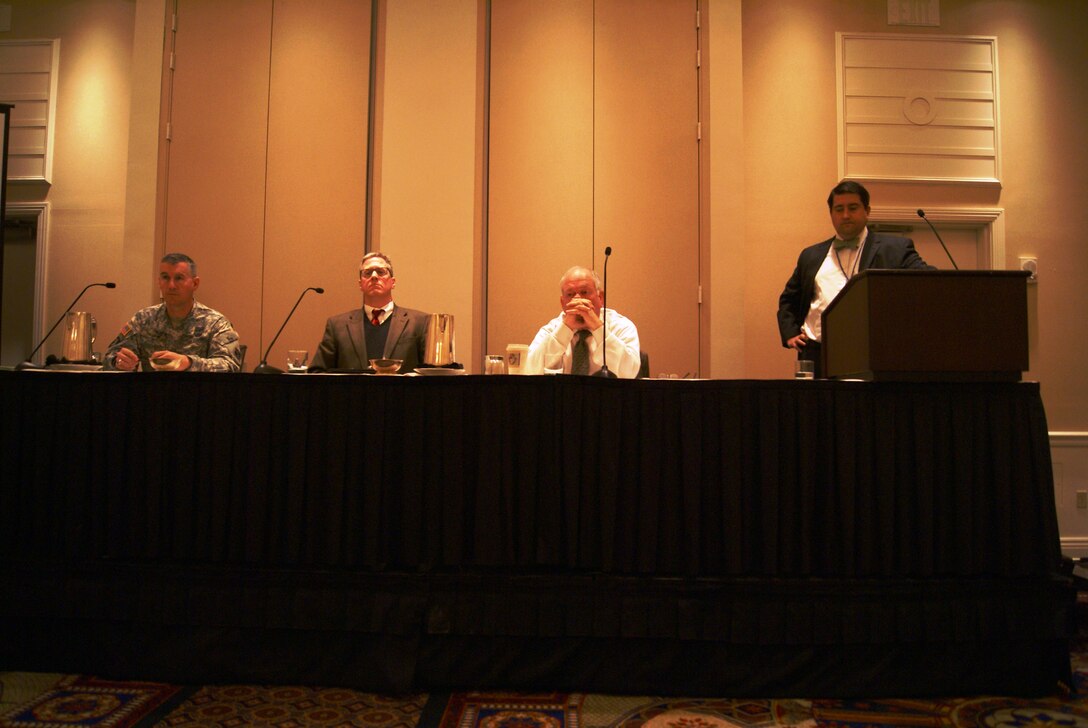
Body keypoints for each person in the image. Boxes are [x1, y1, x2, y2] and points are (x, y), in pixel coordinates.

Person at [777, 180, 935, 377]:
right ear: (831, 214)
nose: (845, 215)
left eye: (853, 208)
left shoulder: (895, 249)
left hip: (872, 354)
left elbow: (927, 280)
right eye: (839, 209)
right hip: (817, 353)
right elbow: (788, 300)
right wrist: (790, 333)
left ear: (867, 210)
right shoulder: (810, 256)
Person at [105, 253, 243, 372]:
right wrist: (119, 362)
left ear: (195, 283)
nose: (171, 285)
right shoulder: (143, 319)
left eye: (179, 278)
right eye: (165, 277)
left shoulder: (214, 323)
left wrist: (188, 363)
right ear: (159, 282)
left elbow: (230, 365)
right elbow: (110, 356)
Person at [310, 252, 429, 372]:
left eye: (381, 272)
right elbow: (317, 372)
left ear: (393, 282)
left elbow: (433, 374)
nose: (374, 276)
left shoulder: (419, 322)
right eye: (367, 273)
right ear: (360, 284)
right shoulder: (337, 325)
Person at [526, 265, 641, 378]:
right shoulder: (552, 328)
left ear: (600, 297)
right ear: (562, 302)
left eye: (584, 292)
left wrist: (597, 328)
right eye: (570, 294)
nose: (577, 299)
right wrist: (565, 329)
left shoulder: (621, 326)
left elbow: (629, 372)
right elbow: (529, 370)